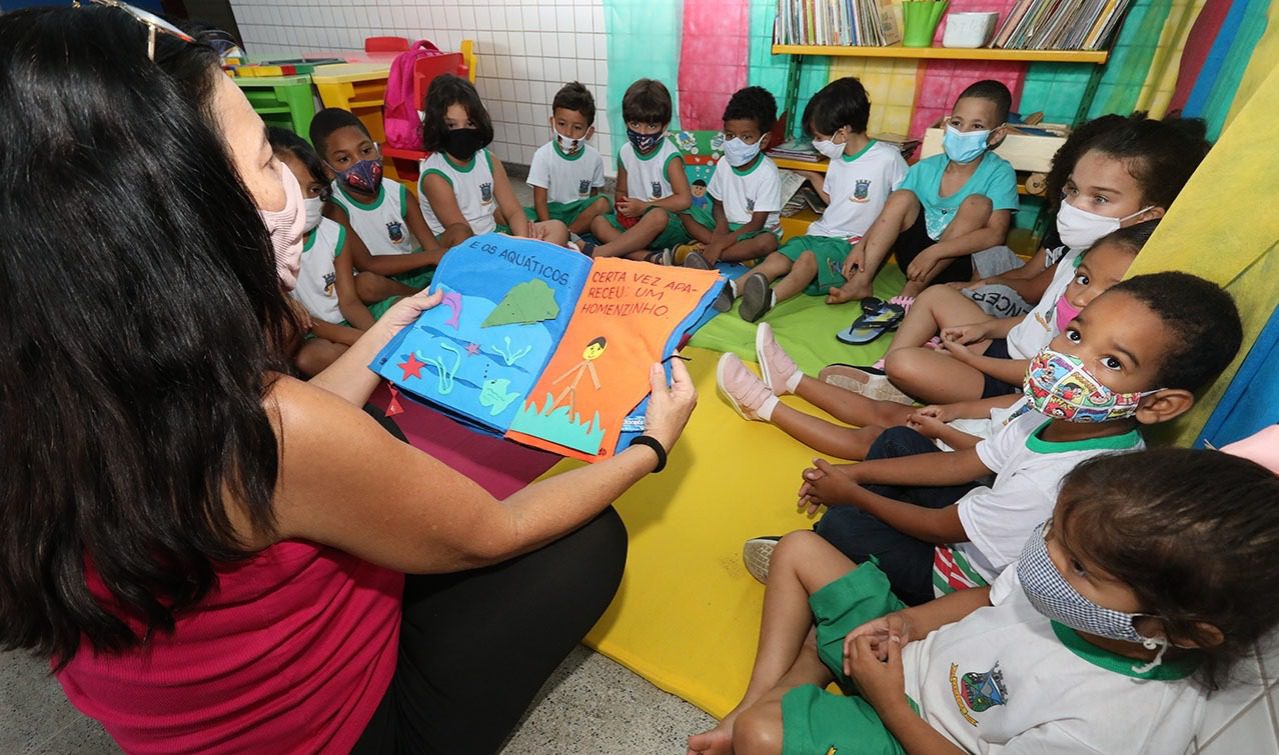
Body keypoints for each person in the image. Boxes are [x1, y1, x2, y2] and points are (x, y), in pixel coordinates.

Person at [0, 9, 696, 754]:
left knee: (389, 435)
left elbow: (283, 456)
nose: (298, 193)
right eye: (268, 162)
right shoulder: (279, 433)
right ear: (169, 210)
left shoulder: (51, 393)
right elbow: (495, 531)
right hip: (350, 734)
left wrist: (384, 333)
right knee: (582, 543)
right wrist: (649, 447)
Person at [687, 448, 1279, 755]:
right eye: (1051, 531)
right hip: (902, 661)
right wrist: (904, 620)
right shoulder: (1063, 590)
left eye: (1076, 564)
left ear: (1182, 630)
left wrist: (892, 702)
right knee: (799, 549)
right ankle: (766, 693)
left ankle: (793, 688)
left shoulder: (1113, 726)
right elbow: (980, 600)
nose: (1041, 558)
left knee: (762, 739)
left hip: (910, 730)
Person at [780, 272, 1241, 608]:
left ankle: (846, 574)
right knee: (899, 441)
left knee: (844, 526)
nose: (1069, 359)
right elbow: (966, 463)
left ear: (1157, 405)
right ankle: (846, 524)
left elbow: (941, 528)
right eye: (1076, 334)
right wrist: (855, 474)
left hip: (959, 577)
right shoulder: (1053, 417)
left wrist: (852, 493)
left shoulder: (1063, 481)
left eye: (1112, 363)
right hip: (976, 518)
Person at [716, 221, 1152, 460]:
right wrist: (957, 410)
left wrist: (948, 424)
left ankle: (765, 407)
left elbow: (994, 455)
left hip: (966, 449)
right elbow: (1021, 403)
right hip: (981, 423)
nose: (1079, 294)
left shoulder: (1080, 398)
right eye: (1081, 278)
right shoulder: (1073, 365)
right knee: (888, 411)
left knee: (873, 437)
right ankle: (791, 380)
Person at [962, 113, 1209, 318]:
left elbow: (1035, 296)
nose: (1074, 206)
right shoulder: (1078, 244)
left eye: (1100, 198)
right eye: (1072, 189)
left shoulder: (1120, 271)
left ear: (1149, 215)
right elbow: (1032, 278)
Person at [731, 77, 907, 322]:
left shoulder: (888, 159)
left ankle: (768, 299)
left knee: (807, 261)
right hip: (820, 233)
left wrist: (866, 248)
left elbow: (899, 211)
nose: (817, 144)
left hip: (850, 243)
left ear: (842, 132)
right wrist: (814, 178)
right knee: (779, 257)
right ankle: (733, 289)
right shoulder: (838, 160)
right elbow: (835, 200)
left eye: (820, 137)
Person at [829, 80, 1019, 305]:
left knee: (977, 203)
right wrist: (861, 246)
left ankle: (911, 293)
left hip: (957, 263)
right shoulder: (924, 168)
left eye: (976, 126)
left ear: (996, 135)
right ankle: (861, 282)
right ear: (947, 125)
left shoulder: (999, 172)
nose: (962, 132)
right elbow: (888, 216)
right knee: (901, 197)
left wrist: (937, 252)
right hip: (914, 261)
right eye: (957, 122)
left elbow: (995, 234)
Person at [419, 74, 570, 248]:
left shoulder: (488, 159)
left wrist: (522, 242)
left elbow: (512, 210)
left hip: (492, 236)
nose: (462, 132)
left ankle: (517, 264)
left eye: (469, 124)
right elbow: (463, 237)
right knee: (463, 237)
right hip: (461, 249)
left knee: (557, 228)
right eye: (451, 125)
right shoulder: (435, 177)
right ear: (437, 127)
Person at [310, 107, 443, 290]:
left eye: (365, 151)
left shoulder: (399, 193)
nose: (360, 163)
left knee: (459, 232)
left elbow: (432, 248)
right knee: (366, 284)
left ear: (377, 149)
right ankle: (417, 297)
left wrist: (439, 257)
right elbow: (367, 264)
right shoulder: (334, 207)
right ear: (327, 169)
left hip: (411, 270)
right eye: (343, 159)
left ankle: (430, 291)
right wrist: (433, 257)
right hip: (380, 283)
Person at [679, 86, 783, 281]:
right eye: (730, 135)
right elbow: (718, 206)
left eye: (746, 137)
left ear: (763, 140)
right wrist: (721, 227)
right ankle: (737, 255)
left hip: (753, 231)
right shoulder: (724, 163)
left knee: (766, 243)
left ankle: (703, 254)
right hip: (727, 226)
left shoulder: (767, 172)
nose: (736, 143)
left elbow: (756, 223)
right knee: (686, 213)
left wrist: (718, 245)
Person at [586, 78, 693, 263]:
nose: (642, 133)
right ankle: (647, 257)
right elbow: (621, 191)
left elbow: (684, 200)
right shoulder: (625, 152)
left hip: (667, 225)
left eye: (651, 126)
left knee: (656, 216)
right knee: (598, 222)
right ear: (626, 122)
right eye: (635, 124)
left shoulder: (670, 157)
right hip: (634, 223)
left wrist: (644, 207)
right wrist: (624, 210)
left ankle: (602, 252)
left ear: (664, 126)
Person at [524, 81, 610, 236]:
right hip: (550, 212)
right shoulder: (543, 155)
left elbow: (593, 195)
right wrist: (548, 225)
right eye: (562, 124)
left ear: (589, 132)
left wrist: (587, 215)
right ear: (552, 122)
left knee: (603, 203)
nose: (568, 133)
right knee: (506, 214)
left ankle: (567, 235)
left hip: (577, 213)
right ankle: (560, 234)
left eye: (577, 127)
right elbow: (539, 201)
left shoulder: (594, 158)